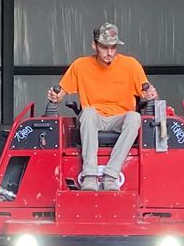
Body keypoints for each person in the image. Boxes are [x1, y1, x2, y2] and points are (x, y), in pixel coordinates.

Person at [45, 23, 158, 191]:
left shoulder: (131, 65)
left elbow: (148, 93)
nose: (109, 53)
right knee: (88, 113)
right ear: (94, 45)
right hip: (94, 118)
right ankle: (89, 176)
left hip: (120, 118)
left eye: (113, 47)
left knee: (135, 117)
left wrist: (151, 95)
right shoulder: (80, 65)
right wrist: (56, 96)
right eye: (104, 47)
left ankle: (111, 176)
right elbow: (61, 93)